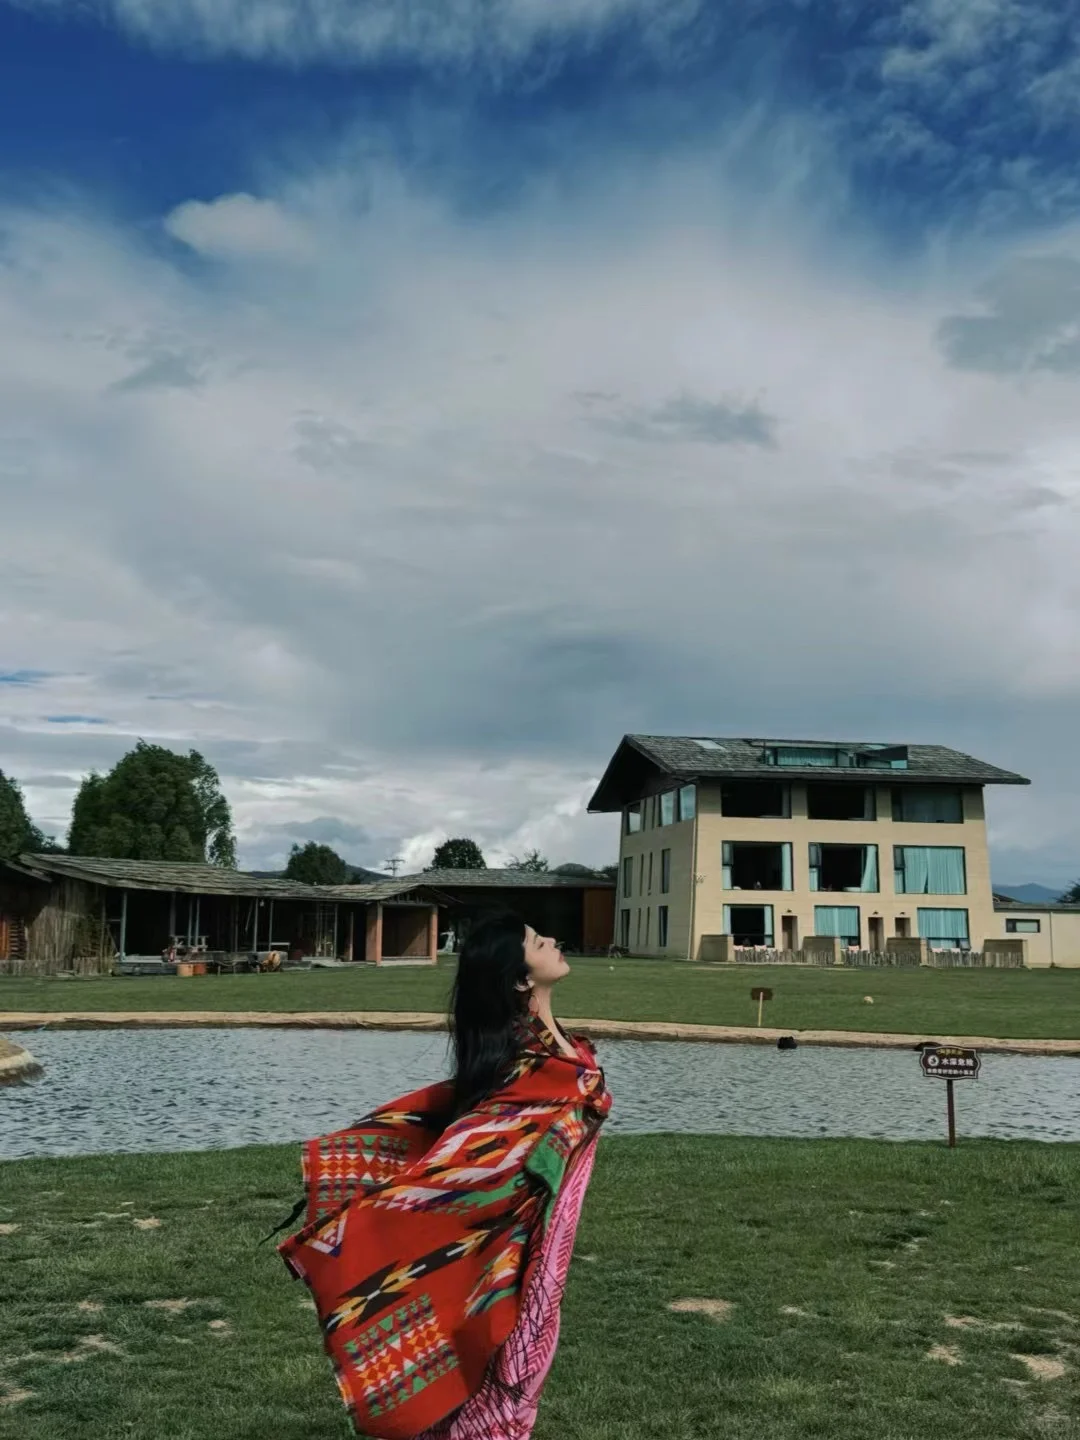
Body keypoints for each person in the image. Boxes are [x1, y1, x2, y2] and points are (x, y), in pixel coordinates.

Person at [276, 910, 612, 1439]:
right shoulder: (528, 1069)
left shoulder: (556, 1055)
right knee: (505, 1372)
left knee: (523, 1367)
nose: (552, 940)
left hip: (548, 1241)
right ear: (520, 979)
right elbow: (476, 1156)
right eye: (536, 941)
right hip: (516, 1246)